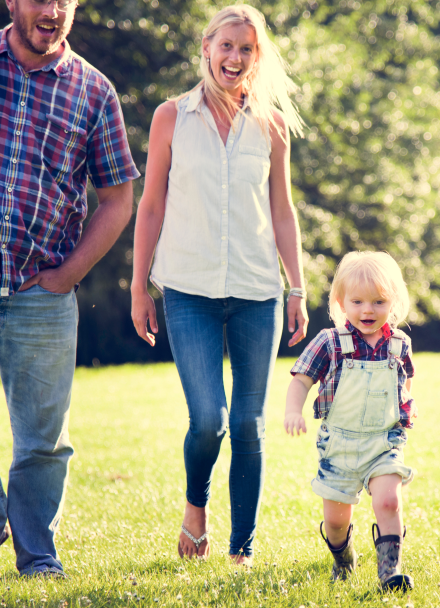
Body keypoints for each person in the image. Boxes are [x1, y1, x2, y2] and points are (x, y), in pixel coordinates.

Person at [131, 4, 308, 566]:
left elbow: (283, 210)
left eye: (246, 48)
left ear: (258, 57)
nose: (235, 57)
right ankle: (195, 507)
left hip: (259, 292)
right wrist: (140, 287)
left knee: (249, 424)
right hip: (188, 290)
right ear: (206, 47)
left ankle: (241, 550)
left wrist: (296, 288)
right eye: (226, 45)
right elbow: (151, 204)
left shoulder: (272, 125)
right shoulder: (171, 117)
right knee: (208, 419)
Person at [0, 0, 139, 577]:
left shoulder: (94, 90)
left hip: (41, 291)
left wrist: (68, 274)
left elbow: (116, 199)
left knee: (42, 441)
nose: (52, 10)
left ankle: (37, 556)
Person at [284, 251, 416, 590]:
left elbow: (405, 382)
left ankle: (390, 571)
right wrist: (293, 411)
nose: (367, 310)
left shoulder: (400, 345)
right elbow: (301, 379)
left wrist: (406, 409)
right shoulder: (330, 342)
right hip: (339, 445)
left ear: (393, 301)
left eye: (378, 301)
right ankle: (343, 558)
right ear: (341, 302)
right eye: (357, 302)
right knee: (335, 520)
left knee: (388, 500)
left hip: (383, 442)